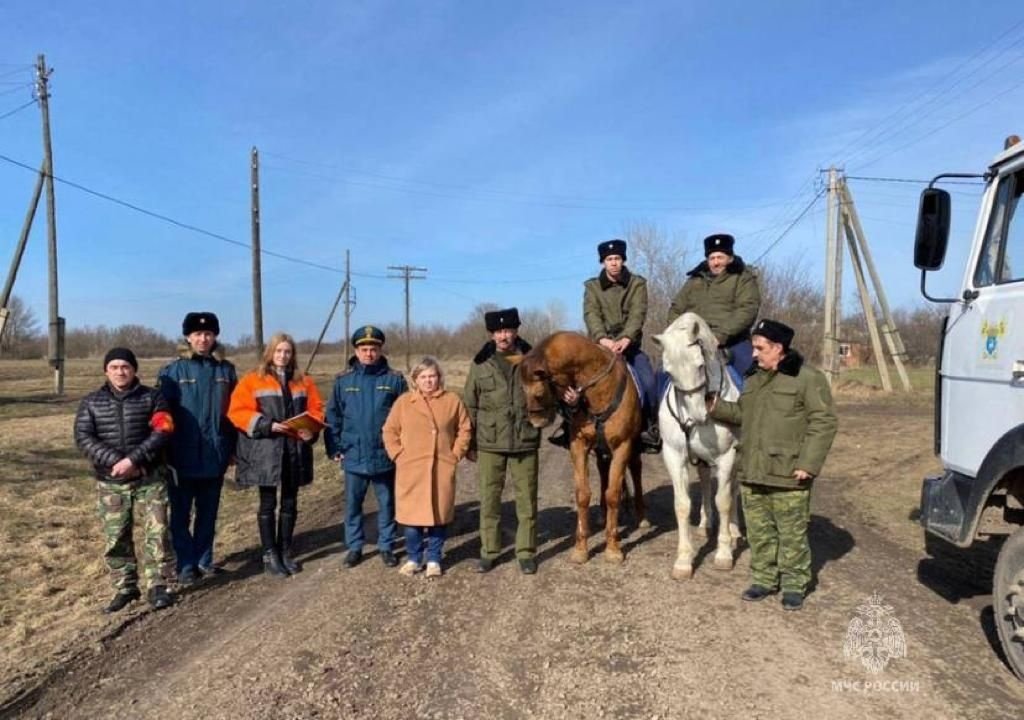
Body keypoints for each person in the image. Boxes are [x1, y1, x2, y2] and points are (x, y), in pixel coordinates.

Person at [709, 319, 838, 611]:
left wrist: (809, 463)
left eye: (760, 348)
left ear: (778, 348)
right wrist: (715, 408)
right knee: (759, 532)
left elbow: (824, 421)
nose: (754, 354)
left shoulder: (806, 378)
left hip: (789, 472)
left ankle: (794, 584)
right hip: (754, 472)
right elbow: (743, 413)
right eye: (754, 348)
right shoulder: (753, 379)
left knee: (791, 533)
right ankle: (764, 579)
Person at [74, 347, 176, 613]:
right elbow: (84, 438)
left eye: (126, 367)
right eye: (115, 367)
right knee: (116, 536)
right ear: (106, 371)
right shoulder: (91, 403)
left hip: (149, 476)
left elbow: (163, 430)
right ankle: (125, 588)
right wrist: (116, 463)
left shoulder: (153, 398)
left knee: (158, 532)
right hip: (111, 482)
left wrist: (134, 461)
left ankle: (159, 585)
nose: (121, 372)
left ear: (134, 370)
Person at [228, 333, 325, 577]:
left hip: (294, 449)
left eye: (287, 351)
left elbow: (317, 410)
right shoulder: (252, 380)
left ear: (293, 354)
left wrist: (309, 430)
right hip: (266, 451)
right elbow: (237, 411)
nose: (283, 356)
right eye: (279, 351)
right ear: (270, 353)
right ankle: (269, 553)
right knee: (268, 503)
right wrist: (266, 424)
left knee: (290, 503)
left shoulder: (304, 381)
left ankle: (285, 550)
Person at [553, 238, 658, 451]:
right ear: (603, 262)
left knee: (649, 383)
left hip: (630, 347)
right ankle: (568, 428)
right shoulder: (592, 287)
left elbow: (638, 312)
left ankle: (650, 428)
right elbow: (591, 314)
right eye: (609, 259)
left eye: (617, 258)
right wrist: (603, 339)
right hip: (600, 348)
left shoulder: (637, 284)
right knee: (574, 384)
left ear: (623, 260)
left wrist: (627, 338)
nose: (613, 263)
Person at [157, 311, 237, 586]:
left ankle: (204, 560)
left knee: (208, 512)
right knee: (180, 515)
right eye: (197, 334)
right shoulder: (173, 372)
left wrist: (233, 449)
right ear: (188, 338)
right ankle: (185, 564)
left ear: (215, 336)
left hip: (216, 454)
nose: (203, 339)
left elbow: (234, 413)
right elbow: (162, 415)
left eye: (208, 334)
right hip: (182, 456)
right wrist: (164, 451)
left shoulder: (226, 371)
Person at [462, 308, 541, 574]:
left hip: (524, 438)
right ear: (491, 334)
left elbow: (546, 395)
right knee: (489, 499)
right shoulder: (480, 362)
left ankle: (526, 551)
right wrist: (470, 442)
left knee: (527, 500)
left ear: (516, 330)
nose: (503, 336)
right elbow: (470, 403)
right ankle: (489, 551)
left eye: (508, 330)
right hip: (489, 441)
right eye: (498, 332)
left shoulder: (533, 359)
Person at [325, 325, 408, 568]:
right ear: (356, 350)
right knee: (353, 505)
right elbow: (333, 417)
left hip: (385, 455)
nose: (369, 353)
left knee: (387, 503)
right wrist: (335, 447)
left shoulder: (394, 380)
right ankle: (354, 546)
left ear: (381, 349)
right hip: (353, 454)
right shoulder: (344, 381)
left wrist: (402, 449)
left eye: (373, 348)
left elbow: (406, 416)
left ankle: (386, 545)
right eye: (364, 349)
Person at [383, 357, 472, 578]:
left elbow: (465, 428)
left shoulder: (452, 400)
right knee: (412, 519)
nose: (428, 381)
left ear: (439, 377)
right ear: (415, 380)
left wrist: (455, 454)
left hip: (441, 467)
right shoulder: (404, 402)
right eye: (423, 377)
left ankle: (434, 558)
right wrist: (398, 455)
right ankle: (414, 557)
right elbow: (389, 431)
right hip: (411, 469)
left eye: (432, 376)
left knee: (438, 516)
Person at [668, 233, 761, 385]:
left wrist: (719, 336)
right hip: (693, 341)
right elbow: (676, 308)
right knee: (662, 375)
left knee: (754, 379)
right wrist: (683, 334)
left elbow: (747, 309)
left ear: (730, 258)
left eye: (720, 257)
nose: (716, 262)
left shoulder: (743, 278)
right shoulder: (694, 280)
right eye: (712, 258)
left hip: (731, 341)